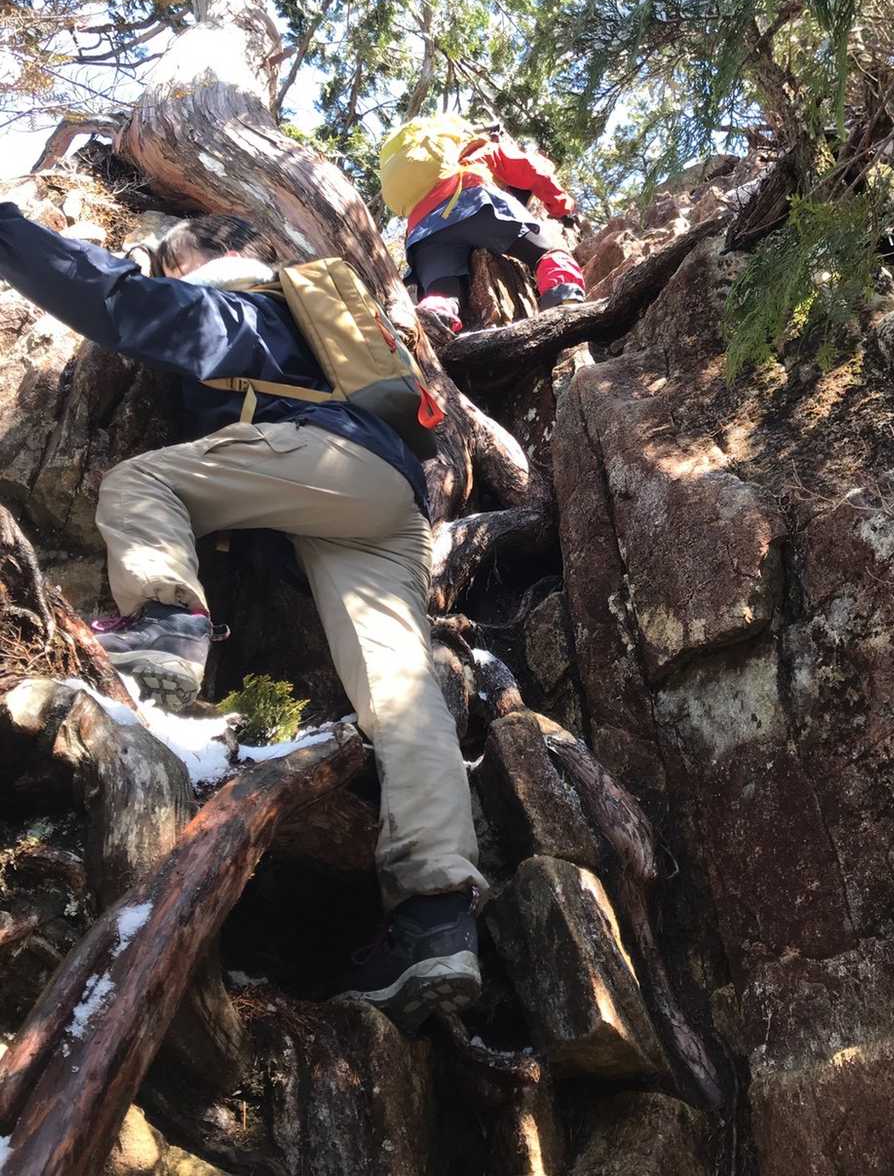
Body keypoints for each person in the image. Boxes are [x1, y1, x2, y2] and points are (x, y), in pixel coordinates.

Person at [0, 201, 485, 1029]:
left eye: (171, 260)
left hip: (319, 461)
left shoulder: (243, 303)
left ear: (208, 258)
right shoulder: (318, 333)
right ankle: (435, 919)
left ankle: (164, 631)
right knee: (401, 697)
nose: (165, 271)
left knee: (142, 483)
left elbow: (115, 302)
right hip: (390, 502)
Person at [403, 128, 587, 333]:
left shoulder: (424, 186)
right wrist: (562, 206)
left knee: (442, 293)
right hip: (473, 204)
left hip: (423, 234)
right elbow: (533, 170)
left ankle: (435, 316)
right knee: (548, 252)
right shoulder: (479, 151)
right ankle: (565, 301)